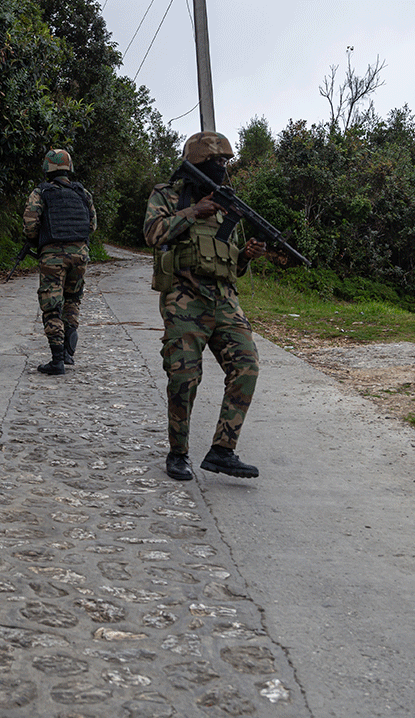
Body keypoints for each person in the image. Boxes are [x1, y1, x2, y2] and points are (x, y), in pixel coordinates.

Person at [143, 131, 266, 481]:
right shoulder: (167, 195)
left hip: (225, 302)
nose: (223, 169)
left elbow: (229, 263)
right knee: (184, 377)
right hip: (185, 301)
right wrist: (193, 211)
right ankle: (178, 453)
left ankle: (222, 451)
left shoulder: (227, 203)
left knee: (247, 366)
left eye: (226, 162)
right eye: (217, 162)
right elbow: (152, 233)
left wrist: (245, 256)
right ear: (198, 164)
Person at [22, 148, 96, 375]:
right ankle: (67, 354)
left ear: (47, 168)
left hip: (53, 255)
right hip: (80, 254)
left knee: (52, 305)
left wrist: (38, 240)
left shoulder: (40, 193)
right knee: (72, 300)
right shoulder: (83, 193)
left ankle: (56, 361)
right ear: (69, 168)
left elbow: (30, 225)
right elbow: (92, 226)